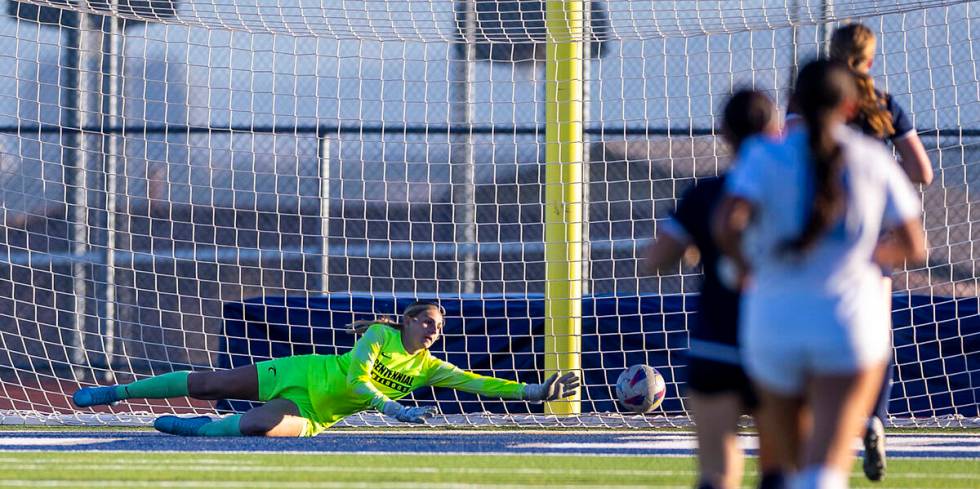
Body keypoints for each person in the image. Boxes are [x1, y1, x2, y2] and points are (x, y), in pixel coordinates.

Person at [714, 60, 926, 488]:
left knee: (786, 463)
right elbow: (915, 246)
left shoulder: (763, 155)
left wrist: (746, 267)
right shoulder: (871, 158)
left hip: (772, 323)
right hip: (846, 324)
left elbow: (726, 224)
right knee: (825, 468)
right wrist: (859, 256)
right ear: (850, 107)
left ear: (792, 102)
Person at [72, 301, 580, 437]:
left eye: (437, 328)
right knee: (212, 382)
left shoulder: (429, 367)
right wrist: (390, 407)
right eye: (425, 323)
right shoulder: (378, 335)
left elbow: (480, 383)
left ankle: (198, 430)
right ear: (406, 321)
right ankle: (115, 391)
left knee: (254, 425)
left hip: (315, 410)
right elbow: (359, 377)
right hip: (304, 372)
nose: (432, 332)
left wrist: (533, 391)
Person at [646, 89, 784, 489]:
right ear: (776, 130)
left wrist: (692, 245)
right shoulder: (797, 194)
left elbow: (655, 260)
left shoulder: (705, 194)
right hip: (779, 343)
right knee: (780, 471)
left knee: (718, 473)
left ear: (724, 133)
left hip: (716, 341)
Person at [827, 22, 934, 482]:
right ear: (870, 60)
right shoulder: (884, 105)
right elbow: (922, 171)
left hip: (825, 229)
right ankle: (875, 416)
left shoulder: (815, 104)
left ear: (831, 55)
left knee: (820, 323)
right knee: (875, 331)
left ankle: (823, 422)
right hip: (874, 235)